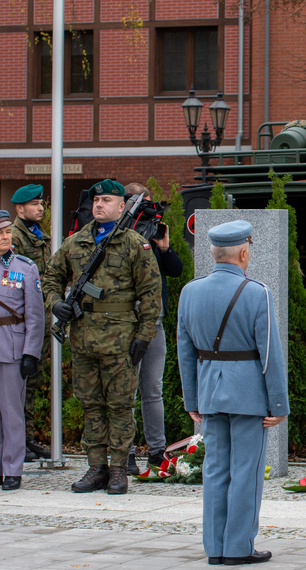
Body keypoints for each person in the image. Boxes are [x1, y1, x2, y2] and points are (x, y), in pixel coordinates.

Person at [177, 220, 288, 566]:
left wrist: (191, 398)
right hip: (248, 394)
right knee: (246, 471)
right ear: (243, 252)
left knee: (214, 469)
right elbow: (270, 352)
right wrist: (279, 403)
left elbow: (185, 350)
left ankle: (215, 547)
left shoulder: (189, 292)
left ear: (212, 253)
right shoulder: (257, 292)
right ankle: (238, 546)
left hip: (210, 390)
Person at [43, 179, 162, 495]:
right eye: (96, 200)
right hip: (84, 338)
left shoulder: (135, 244)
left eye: (107, 200)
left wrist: (144, 336)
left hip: (121, 339)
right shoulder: (76, 242)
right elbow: (51, 277)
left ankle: (119, 469)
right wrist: (57, 303)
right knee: (91, 404)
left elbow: (151, 293)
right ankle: (96, 467)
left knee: (121, 405)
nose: (99, 205)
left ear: (122, 206)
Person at [123, 182, 184, 475]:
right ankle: (127, 452)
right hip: (126, 322)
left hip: (154, 322)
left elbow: (175, 270)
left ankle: (157, 451)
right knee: (127, 391)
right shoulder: (118, 235)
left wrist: (165, 247)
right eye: (140, 205)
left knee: (153, 390)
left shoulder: (154, 232)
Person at [0, 210, 45, 490]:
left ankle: (13, 468)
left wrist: (32, 353)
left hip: (12, 348)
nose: (4, 238)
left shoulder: (25, 268)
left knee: (11, 412)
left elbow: (35, 317)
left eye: (6, 232)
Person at [9, 184, 52, 462]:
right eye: (34, 204)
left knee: (32, 384)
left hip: (40, 318)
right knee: (17, 386)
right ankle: (17, 441)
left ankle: (26, 438)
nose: (40, 208)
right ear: (19, 208)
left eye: (41, 204)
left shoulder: (39, 235)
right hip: (20, 323)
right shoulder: (14, 237)